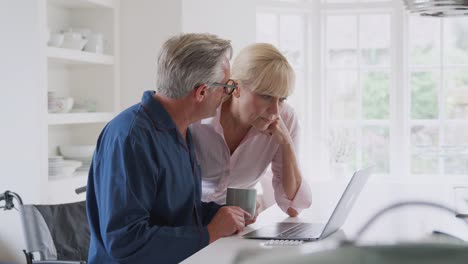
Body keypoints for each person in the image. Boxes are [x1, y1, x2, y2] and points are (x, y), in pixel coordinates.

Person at [86, 33, 252, 264]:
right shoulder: (131, 138)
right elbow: (125, 242)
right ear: (201, 92)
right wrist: (210, 232)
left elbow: (174, 212)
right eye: (225, 86)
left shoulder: (181, 129)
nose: (227, 94)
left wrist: (221, 214)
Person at [191, 43, 312, 217]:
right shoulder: (199, 116)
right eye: (266, 96)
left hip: (240, 228)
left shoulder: (284, 119)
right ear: (236, 88)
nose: (275, 111)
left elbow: (293, 207)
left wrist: (286, 143)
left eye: (282, 99)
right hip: (193, 225)